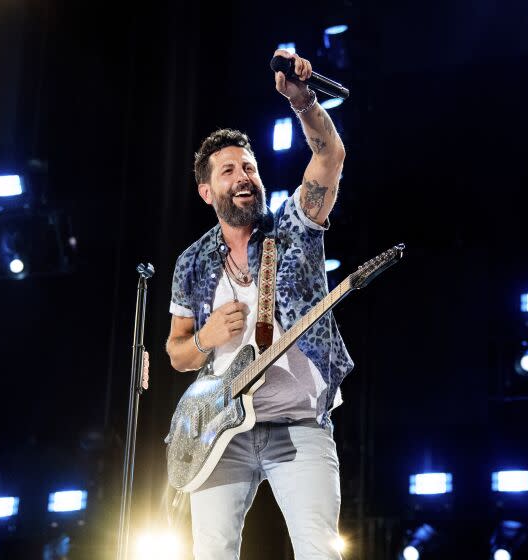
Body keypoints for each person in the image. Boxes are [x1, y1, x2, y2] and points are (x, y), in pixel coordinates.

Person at [165, 49, 353, 560]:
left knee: (320, 551)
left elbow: (329, 156)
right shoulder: (192, 262)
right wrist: (207, 338)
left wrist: (304, 102)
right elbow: (177, 353)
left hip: (299, 425)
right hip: (221, 434)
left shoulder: (294, 227)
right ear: (208, 191)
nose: (244, 175)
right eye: (228, 171)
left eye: (248, 166)